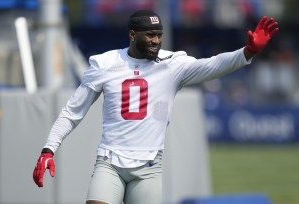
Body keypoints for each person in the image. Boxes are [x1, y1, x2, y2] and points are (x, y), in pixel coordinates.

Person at [33, 10, 279, 204]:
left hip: (149, 167)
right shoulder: (105, 63)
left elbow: (213, 65)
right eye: (150, 35)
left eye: (159, 35)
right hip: (110, 162)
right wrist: (48, 149)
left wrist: (247, 52)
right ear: (132, 35)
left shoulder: (172, 64)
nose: (156, 41)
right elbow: (73, 111)